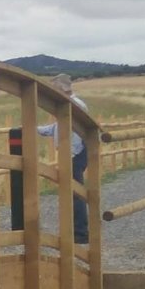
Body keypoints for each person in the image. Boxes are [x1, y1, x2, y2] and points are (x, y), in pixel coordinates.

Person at [38, 73, 90, 244]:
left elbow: (77, 131)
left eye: (55, 89)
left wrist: (71, 153)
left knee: (75, 192)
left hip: (74, 153)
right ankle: (74, 231)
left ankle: (80, 233)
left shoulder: (74, 105)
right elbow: (57, 127)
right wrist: (36, 129)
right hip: (72, 152)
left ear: (62, 88)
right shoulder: (69, 104)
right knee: (72, 191)